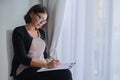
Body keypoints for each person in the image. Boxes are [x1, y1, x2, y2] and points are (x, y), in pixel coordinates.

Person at [10, 4, 73, 80]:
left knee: (65, 71)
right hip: (25, 70)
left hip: (41, 67)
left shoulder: (41, 33)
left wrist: (50, 62)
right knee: (64, 74)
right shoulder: (19, 31)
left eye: (44, 21)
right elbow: (22, 59)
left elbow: (44, 55)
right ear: (31, 14)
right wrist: (46, 65)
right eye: (40, 18)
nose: (41, 22)